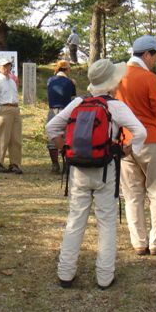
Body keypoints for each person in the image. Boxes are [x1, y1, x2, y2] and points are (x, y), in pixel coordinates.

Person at [46, 59, 146, 290]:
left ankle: (65, 274)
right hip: (105, 171)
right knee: (106, 223)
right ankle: (104, 277)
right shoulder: (116, 106)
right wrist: (126, 151)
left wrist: (66, 151)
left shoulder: (78, 102)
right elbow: (140, 132)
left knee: (75, 220)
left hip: (78, 171)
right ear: (112, 83)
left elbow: (51, 128)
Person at [115, 35, 156, 256]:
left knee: (132, 193)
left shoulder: (118, 75)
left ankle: (139, 242)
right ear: (147, 54)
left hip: (124, 141)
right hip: (149, 139)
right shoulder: (149, 78)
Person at [0, 58, 23, 174]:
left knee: (16, 138)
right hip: (4, 108)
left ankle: (15, 164)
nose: (7, 68)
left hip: (15, 109)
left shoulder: (12, 81)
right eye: (4, 66)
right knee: (3, 137)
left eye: (8, 66)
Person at [46, 60, 77, 173]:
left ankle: (55, 164)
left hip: (52, 110)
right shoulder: (70, 82)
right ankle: (66, 164)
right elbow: (72, 95)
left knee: (52, 137)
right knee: (66, 137)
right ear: (67, 69)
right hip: (66, 110)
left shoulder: (50, 80)